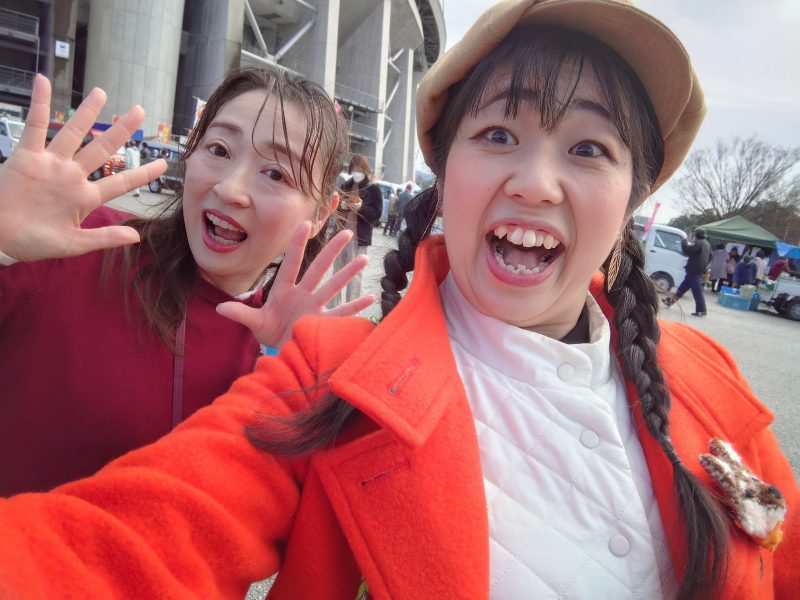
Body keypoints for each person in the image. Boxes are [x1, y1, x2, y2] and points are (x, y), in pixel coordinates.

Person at [0, 2, 796, 599]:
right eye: (498, 135)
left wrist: (269, 347)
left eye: (589, 148)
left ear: (634, 199)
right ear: (442, 176)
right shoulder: (328, 374)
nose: (536, 182)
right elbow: (133, 541)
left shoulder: (706, 374)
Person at [0, 66, 374, 495]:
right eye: (219, 149)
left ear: (320, 213)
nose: (230, 188)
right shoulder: (81, 243)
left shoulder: (290, 346)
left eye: (276, 174)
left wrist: (292, 374)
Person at [328, 153, 383, 306]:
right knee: (337, 272)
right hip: (341, 236)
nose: (356, 172)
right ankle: (332, 305)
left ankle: (351, 307)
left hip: (359, 239)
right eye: (354, 169)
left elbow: (376, 214)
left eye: (359, 169)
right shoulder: (345, 186)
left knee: (355, 275)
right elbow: (336, 208)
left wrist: (361, 207)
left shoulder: (373, 189)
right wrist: (342, 206)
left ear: (365, 170)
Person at [663, 227, 711, 316]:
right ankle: (670, 301)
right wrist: (703, 263)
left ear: (697, 234)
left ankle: (701, 310)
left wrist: (684, 241)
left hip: (694, 270)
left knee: (697, 292)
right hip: (698, 269)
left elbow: (688, 250)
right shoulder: (707, 244)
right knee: (682, 288)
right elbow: (711, 256)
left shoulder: (699, 243)